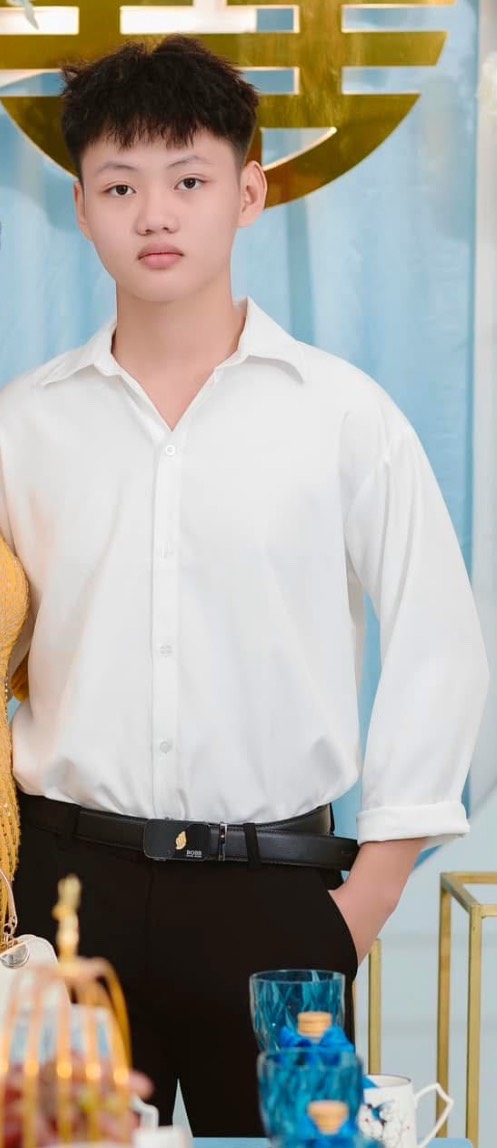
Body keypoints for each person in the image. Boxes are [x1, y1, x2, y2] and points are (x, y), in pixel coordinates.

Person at [0, 34, 488, 1134]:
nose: (154, 215)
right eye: (119, 186)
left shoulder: (342, 414)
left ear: (250, 192)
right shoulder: (22, 425)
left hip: (277, 901)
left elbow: (437, 641)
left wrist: (362, 904)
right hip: (69, 902)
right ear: (80, 206)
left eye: (189, 181)